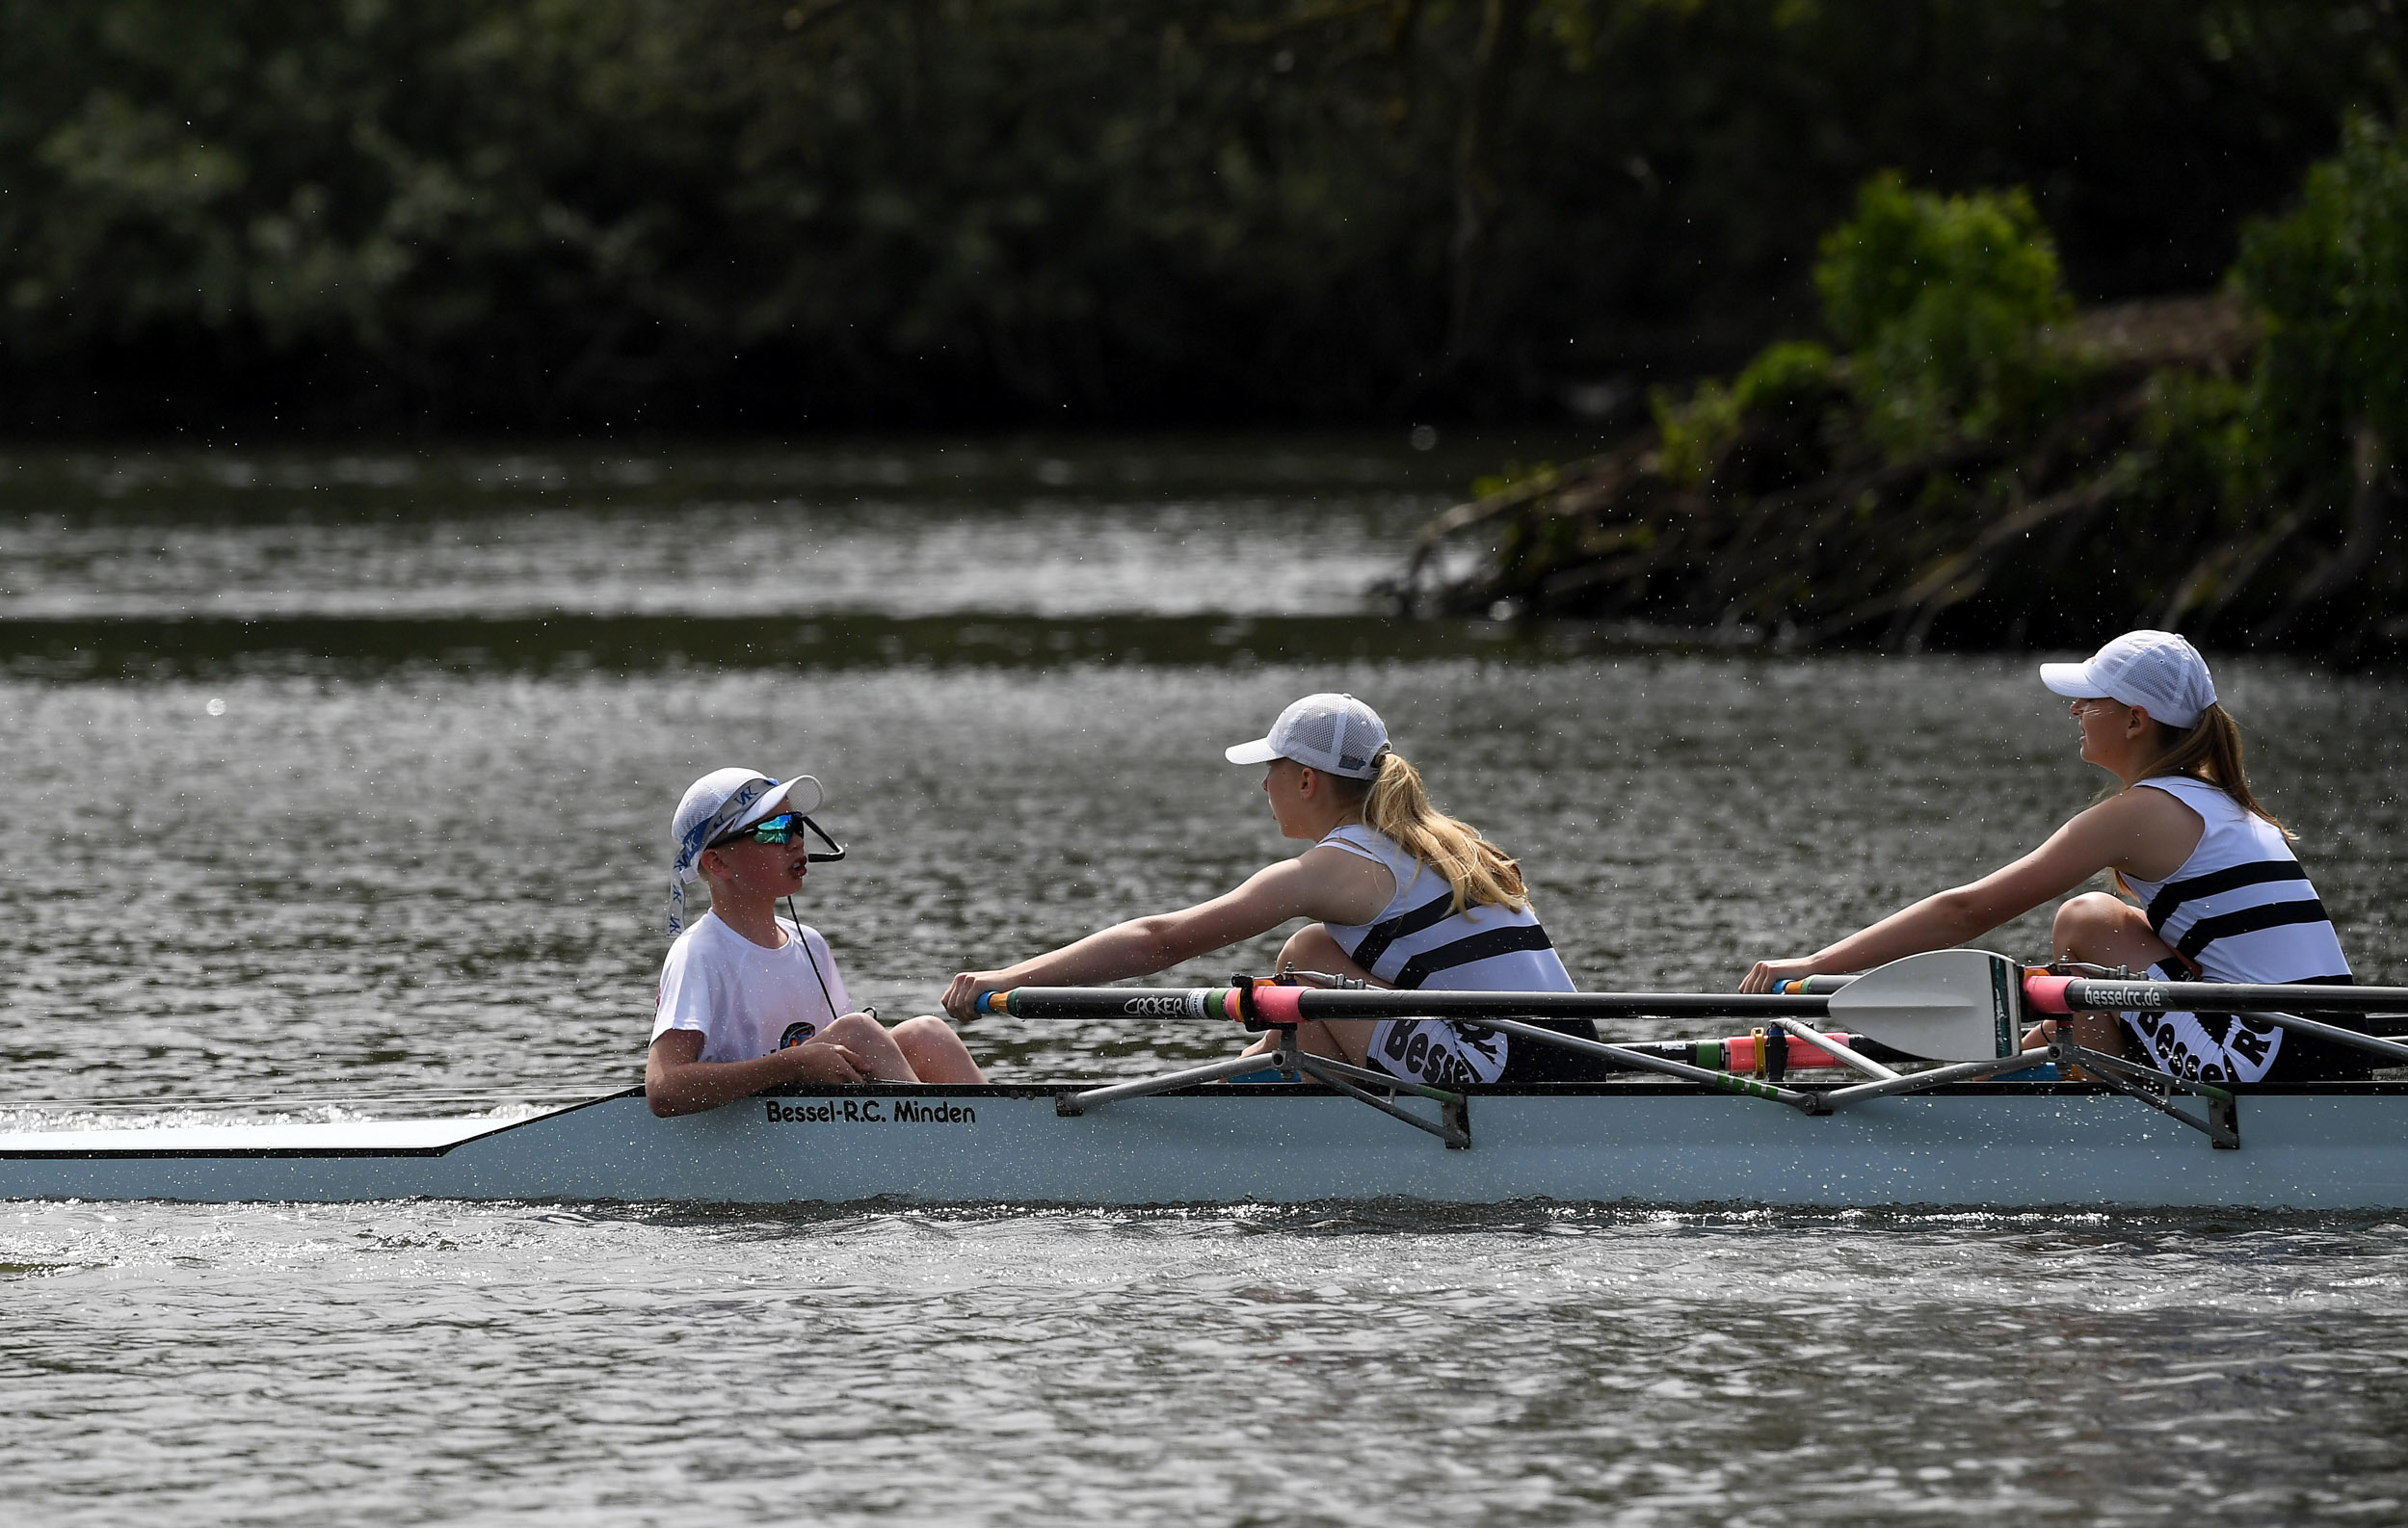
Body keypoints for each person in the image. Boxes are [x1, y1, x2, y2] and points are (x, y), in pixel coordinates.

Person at [1740, 630, 2368, 1082]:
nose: (2074, 708)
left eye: (2089, 697)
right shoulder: (2221, 803)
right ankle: (2060, 1065)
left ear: (2134, 721)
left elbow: (1965, 912)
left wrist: (1814, 964)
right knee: (2100, 928)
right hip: (2339, 1041)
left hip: (2268, 1050)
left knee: (2084, 923)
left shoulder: (2139, 814)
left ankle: (2084, 1103)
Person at [942, 693, 1611, 1089]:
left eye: (1271, 768)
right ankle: (1255, 1095)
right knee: (1314, 952)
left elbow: (1161, 941)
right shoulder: (1443, 838)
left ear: (1306, 780)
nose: (1262, 785)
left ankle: (1224, 1113)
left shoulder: (1337, 867)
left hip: (1508, 1071)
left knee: (1305, 962)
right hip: (1574, 1057)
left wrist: (1005, 981)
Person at [648, 768, 985, 1117]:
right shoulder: (698, 954)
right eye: (774, 831)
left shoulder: (811, 943)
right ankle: (948, 1154)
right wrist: (790, 1065)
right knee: (857, 1030)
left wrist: (798, 1064)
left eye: (796, 825)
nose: (795, 841)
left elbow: (846, 1056)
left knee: (926, 1034)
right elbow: (663, 1088)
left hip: (806, 1120)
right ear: (717, 862)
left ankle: (1004, 1145)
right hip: (743, 1134)